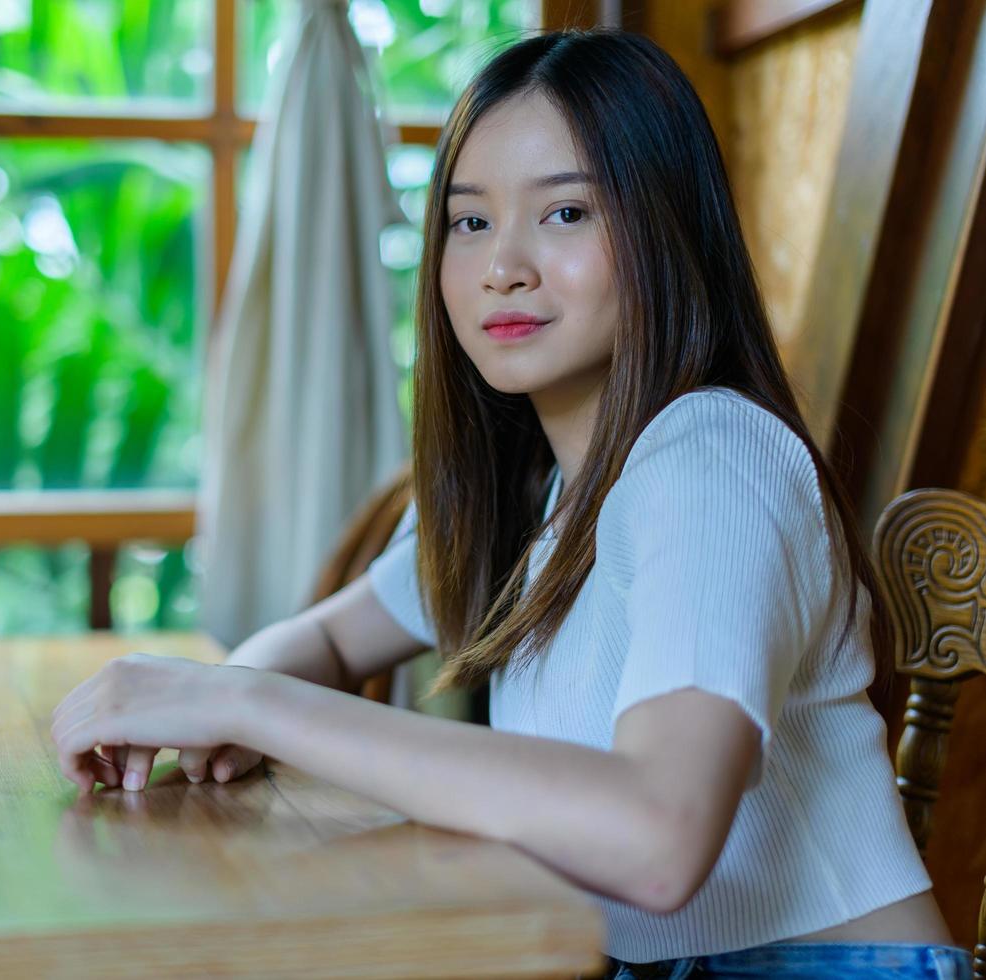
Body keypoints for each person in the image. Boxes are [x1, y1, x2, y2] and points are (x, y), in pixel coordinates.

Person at [49, 28, 972, 979]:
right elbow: (328, 641)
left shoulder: (709, 461)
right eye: (468, 221)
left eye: (565, 212)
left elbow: (659, 836)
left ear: (665, 228)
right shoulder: (530, 479)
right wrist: (225, 715)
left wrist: (247, 700)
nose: (503, 266)